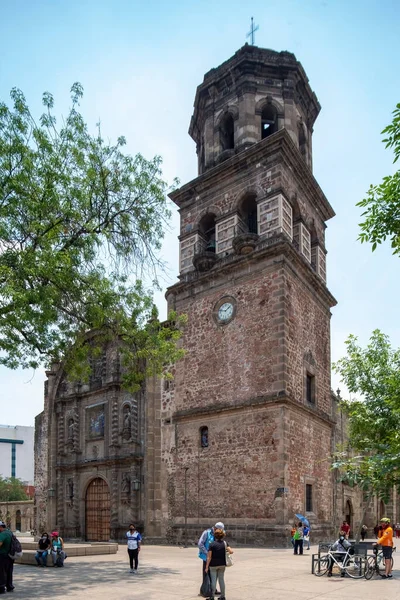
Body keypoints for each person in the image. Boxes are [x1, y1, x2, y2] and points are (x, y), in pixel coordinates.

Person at [205, 528, 233, 600]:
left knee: (213, 581)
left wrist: (206, 567)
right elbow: (231, 551)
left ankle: (212, 596)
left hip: (213, 565)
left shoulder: (212, 544)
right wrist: (226, 550)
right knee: (221, 580)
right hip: (222, 564)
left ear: (215, 535)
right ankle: (223, 596)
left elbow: (209, 557)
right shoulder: (225, 543)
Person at [198, 522, 224, 597]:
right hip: (206, 557)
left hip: (214, 558)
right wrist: (207, 553)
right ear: (215, 528)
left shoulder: (219, 533)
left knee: (213, 575)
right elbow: (200, 544)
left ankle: (213, 589)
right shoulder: (206, 533)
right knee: (206, 574)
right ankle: (205, 590)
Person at [0, 521, 14, 594]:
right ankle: (9, 587)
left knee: (1, 572)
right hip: (10, 555)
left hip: (2, 555)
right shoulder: (10, 532)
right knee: (9, 571)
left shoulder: (2, 534)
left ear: (1, 527)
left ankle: (1, 588)